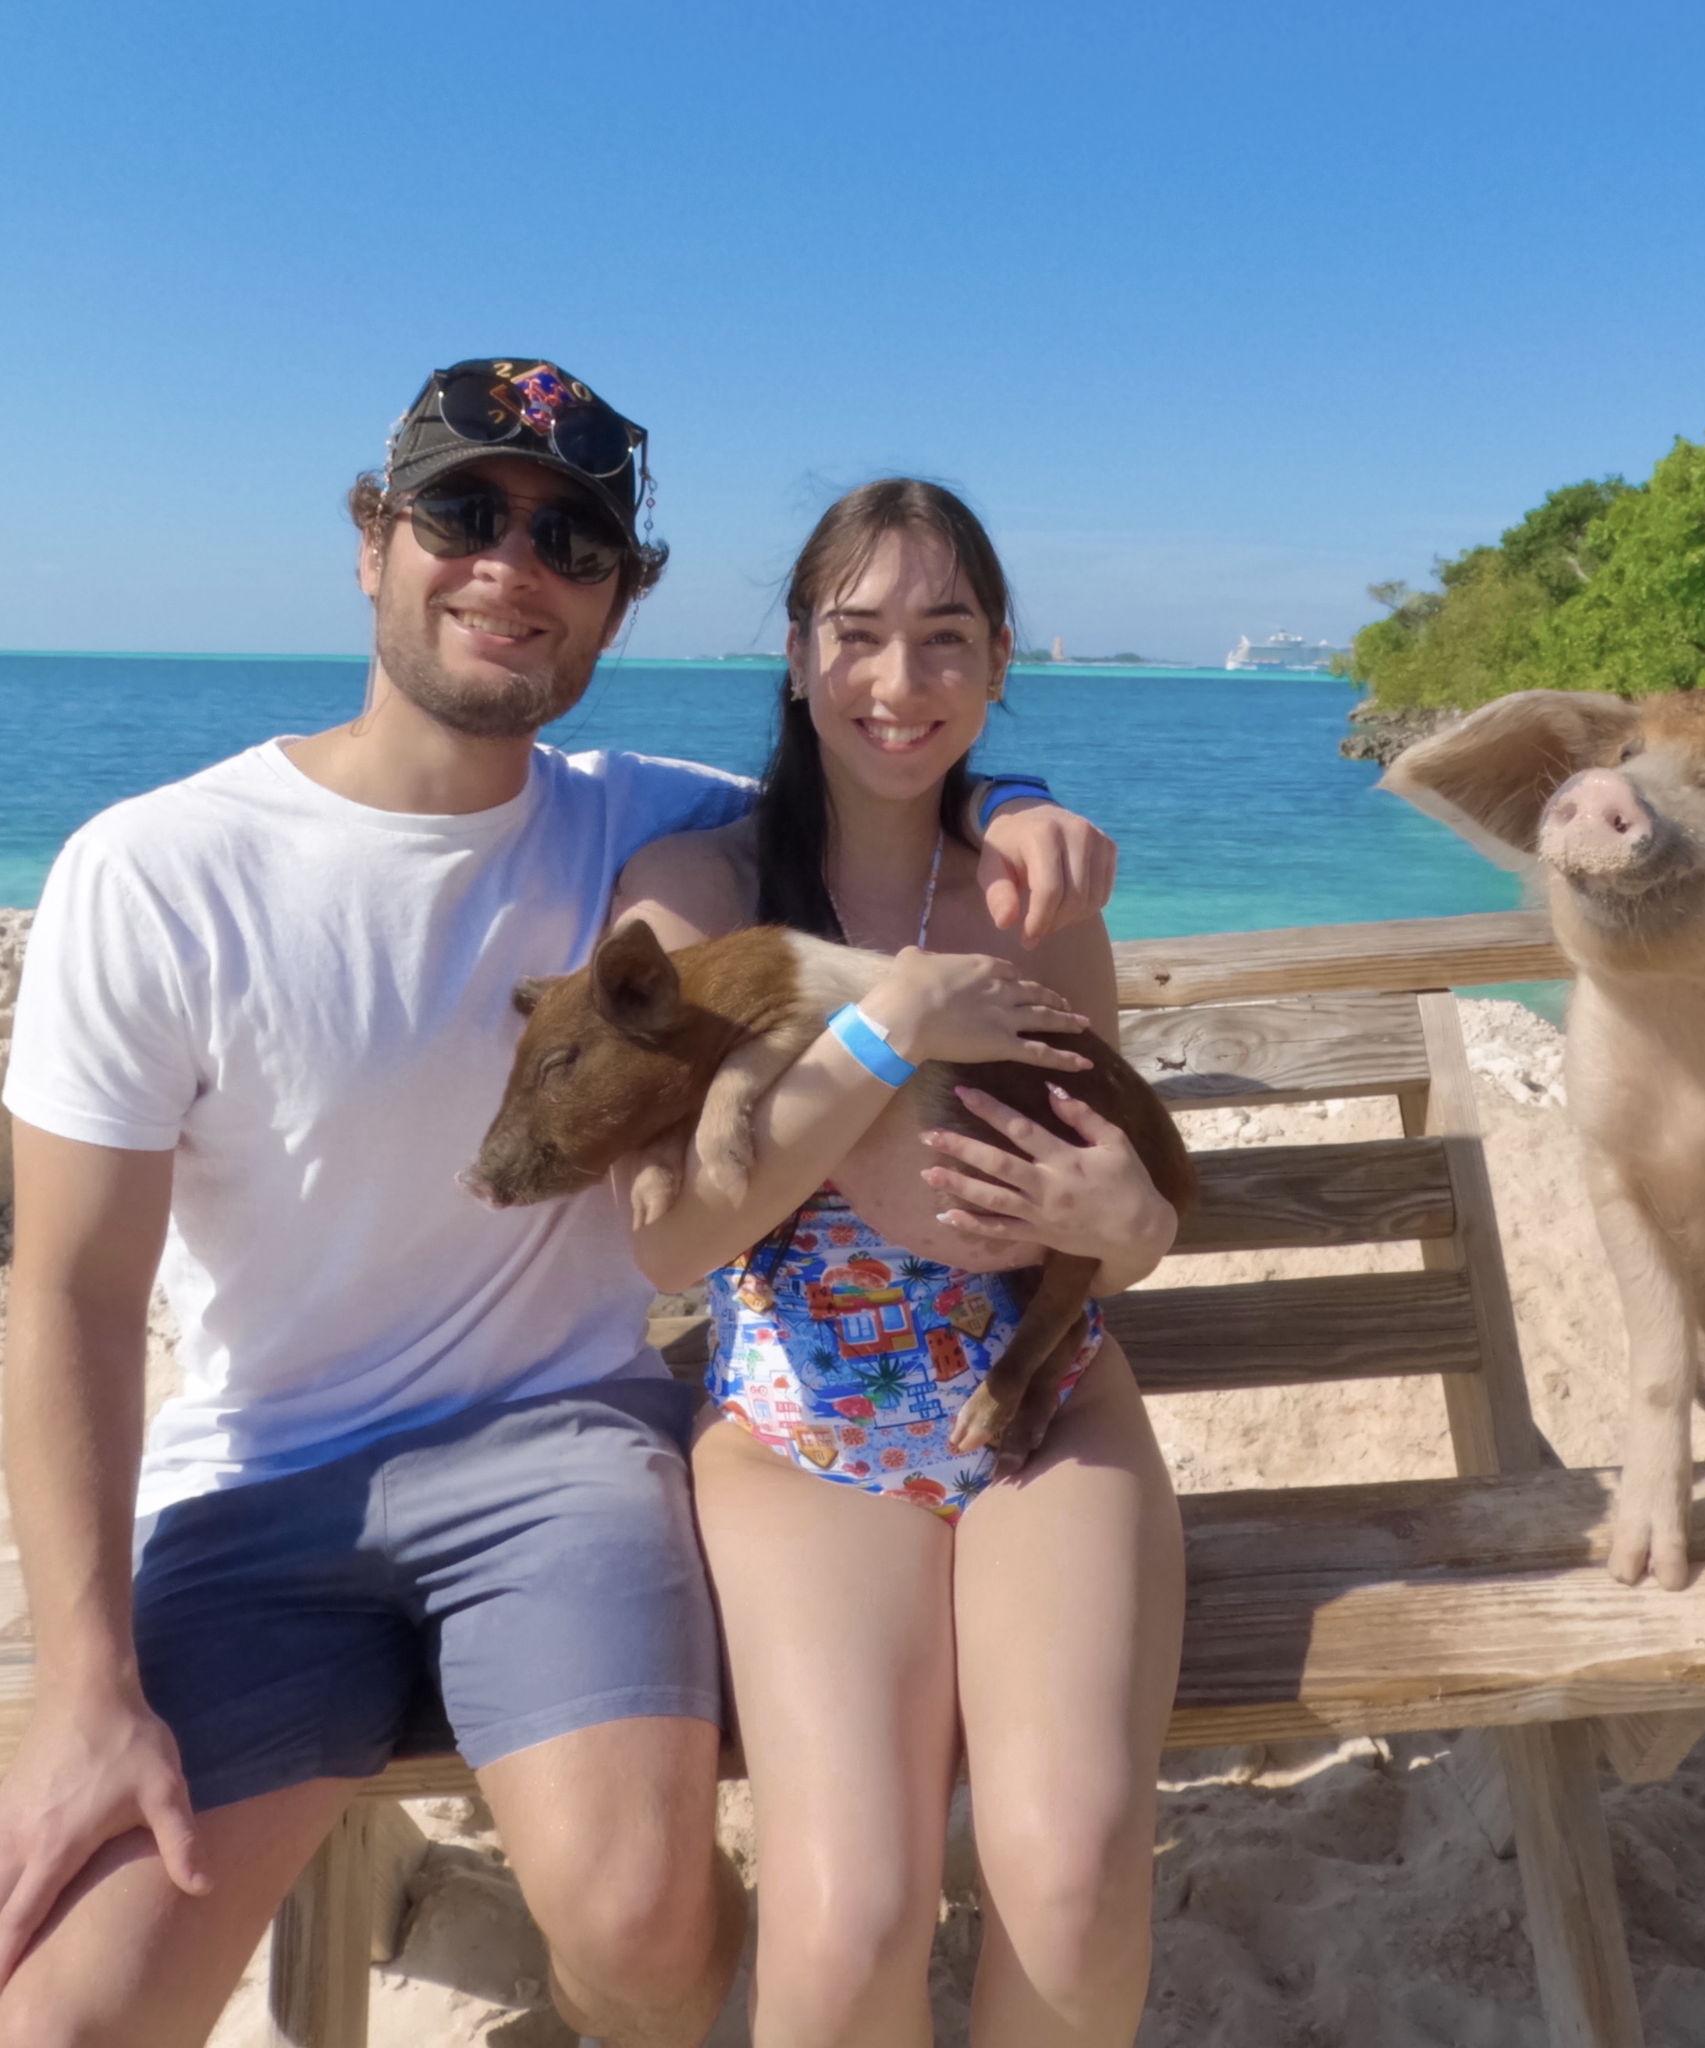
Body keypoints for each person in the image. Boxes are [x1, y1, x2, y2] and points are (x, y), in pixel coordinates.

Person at [0, 363, 1115, 2048]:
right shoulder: (152, 871)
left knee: (649, 1929)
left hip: (559, 1451)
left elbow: (878, 771)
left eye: (572, 539)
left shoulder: (637, 821)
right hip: (258, 1494)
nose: (513, 567)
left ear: (619, 596)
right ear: (371, 543)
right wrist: (84, 1691)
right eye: (464, 514)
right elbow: (75, 1296)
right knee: (62, 2021)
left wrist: (1019, 802)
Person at [615, 478, 1187, 2047]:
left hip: (1045, 1408)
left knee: (1068, 1871)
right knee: (850, 1910)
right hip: (808, 1440)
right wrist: (889, 1026)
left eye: (946, 640)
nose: (899, 683)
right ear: (798, 655)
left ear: (1000, 661)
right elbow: (668, 1231)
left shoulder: (1034, 889)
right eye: (858, 635)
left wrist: (1123, 1228)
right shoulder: (708, 896)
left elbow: (1114, 1224)